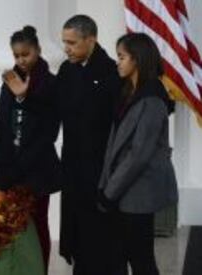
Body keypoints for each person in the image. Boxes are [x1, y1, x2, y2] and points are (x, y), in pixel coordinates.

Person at [98, 32, 178, 275]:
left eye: (122, 57)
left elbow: (139, 154)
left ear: (138, 60)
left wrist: (109, 192)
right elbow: (115, 144)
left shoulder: (152, 98)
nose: (117, 62)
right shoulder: (128, 92)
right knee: (121, 254)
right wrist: (107, 185)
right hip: (123, 190)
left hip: (139, 192)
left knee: (141, 259)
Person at [0, 25, 62, 272]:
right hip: (8, 170)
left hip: (37, 172)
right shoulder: (9, 80)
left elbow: (49, 131)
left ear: (38, 51)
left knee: (37, 226)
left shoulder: (51, 83)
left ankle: (39, 269)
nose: (21, 60)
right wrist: (1, 165)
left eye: (26, 54)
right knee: (6, 226)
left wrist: (24, 97)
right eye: (16, 56)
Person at [56, 15, 123, 274]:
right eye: (64, 42)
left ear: (91, 40)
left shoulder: (111, 73)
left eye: (72, 43)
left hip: (101, 172)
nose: (66, 48)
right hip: (73, 169)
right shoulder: (66, 70)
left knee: (102, 241)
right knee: (78, 237)